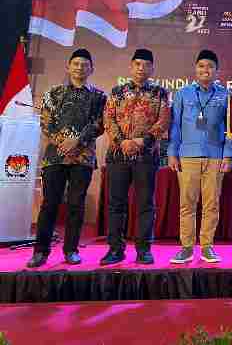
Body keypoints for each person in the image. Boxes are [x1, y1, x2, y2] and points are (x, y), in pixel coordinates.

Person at [27, 49, 107, 268]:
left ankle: (71, 250)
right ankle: (40, 252)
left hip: (83, 158)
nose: (80, 67)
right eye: (76, 63)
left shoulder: (99, 96)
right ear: (68, 67)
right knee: (49, 204)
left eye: (85, 64)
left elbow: (100, 124)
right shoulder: (54, 93)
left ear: (91, 69)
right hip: (55, 157)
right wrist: (63, 142)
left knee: (76, 205)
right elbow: (46, 122)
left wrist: (77, 141)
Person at [100, 49, 170, 265]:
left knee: (146, 204)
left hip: (146, 157)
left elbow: (163, 121)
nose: (141, 68)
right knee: (116, 204)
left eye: (146, 65)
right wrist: (122, 141)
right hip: (118, 155)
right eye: (137, 64)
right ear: (131, 67)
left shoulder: (160, 93)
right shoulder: (117, 91)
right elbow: (108, 119)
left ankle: (143, 250)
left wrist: (141, 141)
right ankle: (115, 249)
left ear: (152, 69)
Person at [167, 50, 232, 264]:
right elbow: (175, 126)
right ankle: (186, 247)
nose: (206, 70)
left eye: (211, 66)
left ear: (217, 71)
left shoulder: (225, 95)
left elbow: (231, 128)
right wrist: (172, 152)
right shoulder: (183, 93)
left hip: (215, 157)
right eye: (202, 66)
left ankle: (207, 246)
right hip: (187, 156)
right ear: (196, 69)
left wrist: (227, 155)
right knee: (187, 204)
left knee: (211, 204)